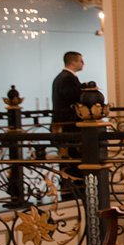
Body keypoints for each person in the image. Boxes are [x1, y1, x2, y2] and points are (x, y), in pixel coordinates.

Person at [51, 51, 85, 198]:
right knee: (71, 158)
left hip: (64, 124)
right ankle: (73, 189)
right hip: (68, 124)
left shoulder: (63, 77)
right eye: (81, 61)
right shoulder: (67, 78)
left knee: (69, 158)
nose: (83, 64)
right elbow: (71, 96)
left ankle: (71, 188)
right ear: (73, 62)